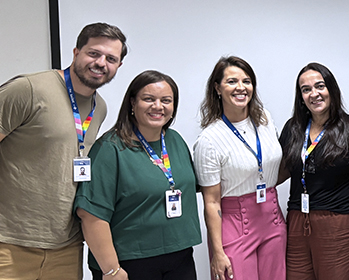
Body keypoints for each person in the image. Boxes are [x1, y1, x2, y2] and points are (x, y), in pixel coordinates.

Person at [0, 22, 125, 279]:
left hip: (66, 246)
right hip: (10, 242)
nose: (101, 62)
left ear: (118, 66)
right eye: (94, 53)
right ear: (76, 52)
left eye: (111, 58)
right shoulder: (28, 89)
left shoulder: (98, 107)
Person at [76, 70, 201, 279]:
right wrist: (111, 270)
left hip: (180, 257)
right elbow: (90, 215)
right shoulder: (110, 148)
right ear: (132, 103)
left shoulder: (175, 141)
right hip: (129, 262)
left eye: (166, 100)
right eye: (148, 99)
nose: (158, 106)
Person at [194, 56, 286, 280]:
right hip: (235, 224)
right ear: (217, 88)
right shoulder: (209, 139)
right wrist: (217, 251)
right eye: (232, 81)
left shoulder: (264, 119)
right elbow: (211, 201)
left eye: (247, 81)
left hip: (272, 217)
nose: (241, 88)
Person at [278, 62, 349, 279]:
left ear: (331, 89)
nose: (314, 94)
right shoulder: (293, 128)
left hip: (339, 224)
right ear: (300, 96)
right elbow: (282, 171)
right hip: (297, 222)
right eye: (306, 89)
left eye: (320, 86)